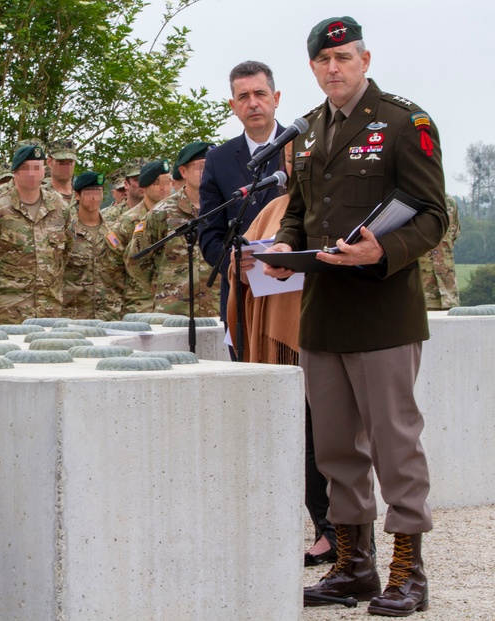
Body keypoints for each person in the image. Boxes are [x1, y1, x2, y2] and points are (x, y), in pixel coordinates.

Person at [264, 17, 447, 616]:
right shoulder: (309, 131)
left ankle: (407, 571)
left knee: (396, 444)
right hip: (323, 314)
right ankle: (354, 566)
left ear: (365, 59)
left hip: (384, 311)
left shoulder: (403, 123)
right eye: (323, 60)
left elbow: (431, 217)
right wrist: (283, 251)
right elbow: (302, 211)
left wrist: (381, 250)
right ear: (312, 68)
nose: (333, 68)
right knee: (336, 447)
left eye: (343, 57)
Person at [226, 141, 337, 568]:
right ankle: (323, 528)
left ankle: (341, 534)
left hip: (326, 334)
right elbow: (244, 262)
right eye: (292, 160)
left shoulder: (336, 207)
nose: (297, 166)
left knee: (332, 441)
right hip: (282, 346)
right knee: (302, 441)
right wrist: (242, 266)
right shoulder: (273, 209)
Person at [198, 60, 286, 326]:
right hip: (241, 292)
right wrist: (232, 267)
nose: (253, 103)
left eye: (260, 94)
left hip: (293, 289)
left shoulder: (302, 149)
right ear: (233, 106)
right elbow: (209, 231)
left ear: (276, 98)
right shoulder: (219, 159)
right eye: (243, 97)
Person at [0, 144, 72, 324]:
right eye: (25, 168)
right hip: (6, 313)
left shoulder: (60, 209)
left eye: (36, 168)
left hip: (49, 311)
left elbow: (66, 252)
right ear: (15, 172)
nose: (32, 174)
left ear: (44, 170)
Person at [126, 143, 219, 317]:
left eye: (214, 165)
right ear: (183, 171)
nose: (208, 171)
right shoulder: (163, 212)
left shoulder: (227, 208)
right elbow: (135, 258)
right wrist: (161, 286)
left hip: (219, 310)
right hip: (173, 313)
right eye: (202, 167)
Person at [110, 159, 175, 313]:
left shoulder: (181, 218)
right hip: (139, 306)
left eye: (168, 182)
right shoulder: (126, 223)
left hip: (175, 303)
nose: (164, 188)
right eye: (158, 183)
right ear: (145, 185)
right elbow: (111, 269)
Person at [62, 171, 124, 320]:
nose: (94, 197)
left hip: (110, 317)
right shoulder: (66, 232)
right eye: (89, 192)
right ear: (77, 195)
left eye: (98, 192)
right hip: (74, 317)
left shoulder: (114, 231)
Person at [419, 193, 460, 309]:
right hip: (418, 298)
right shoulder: (407, 202)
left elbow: (454, 236)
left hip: (449, 295)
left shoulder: (449, 201)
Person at [43, 138, 76, 205]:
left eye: (70, 162)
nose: (66, 167)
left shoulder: (82, 196)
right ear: (49, 162)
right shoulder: (39, 195)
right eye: (61, 162)